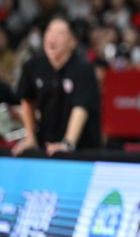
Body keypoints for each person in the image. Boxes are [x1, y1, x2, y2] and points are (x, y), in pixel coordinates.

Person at [11, 17, 101, 156]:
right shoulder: (33, 66)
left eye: (60, 33)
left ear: (72, 42)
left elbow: (80, 108)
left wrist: (68, 143)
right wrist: (30, 138)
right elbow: (27, 101)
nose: (52, 37)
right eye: (49, 31)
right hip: (45, 145)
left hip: (83, 149)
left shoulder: (84, 69)